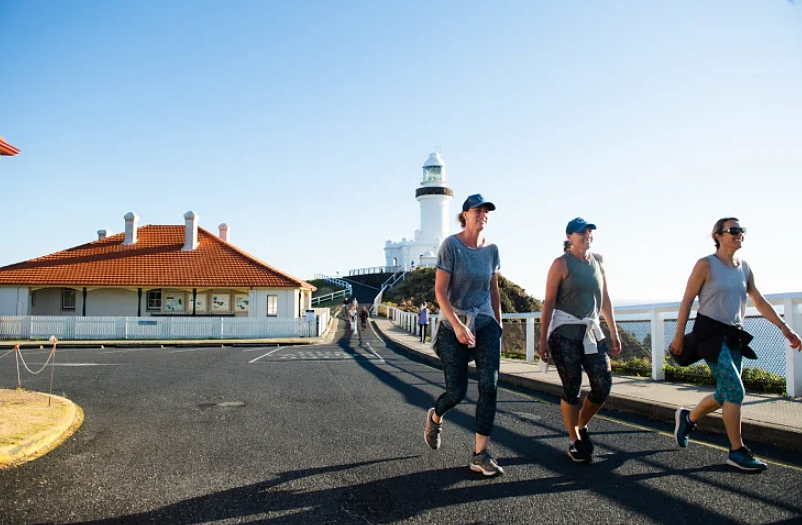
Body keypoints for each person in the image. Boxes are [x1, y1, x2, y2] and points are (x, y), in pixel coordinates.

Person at [669, 217, 801, 472]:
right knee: (736, 391)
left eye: (742, 230)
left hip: (733, 336)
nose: (739, 234)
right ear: (717, 235)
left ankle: (688, 418)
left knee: (725, 394)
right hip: (709, 335)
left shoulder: (745, 267)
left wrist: (784, 327)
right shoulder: (705, 265)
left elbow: (759, 300)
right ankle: (737, 451)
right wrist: (678, 334)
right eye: (734, 230)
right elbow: (686, 300)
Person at [423, 193, 504, 477]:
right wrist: (457, 325)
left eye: (486, 211)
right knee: (457, 392)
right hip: (452, 325)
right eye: (477, 210)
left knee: (489, 385)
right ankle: (435, 417)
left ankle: (480, 454)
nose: (482, 215)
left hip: (484, 323)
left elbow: (493, 290)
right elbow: (439, 291)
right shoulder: (451, 246)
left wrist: (499, 324)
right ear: (465, 214)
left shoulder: (492, 249)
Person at [539, 217, 621, 464]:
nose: (587, 235)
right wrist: (542, 340)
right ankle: (574, 440)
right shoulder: (561, 264)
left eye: (589, 231)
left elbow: (605, 299)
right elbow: (549, 303)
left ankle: (581, 425)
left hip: (592, 334)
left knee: (602, 385)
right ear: (569, 237)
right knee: (572, 387)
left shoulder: (599, 263)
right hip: (564, 333)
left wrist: (614, 333)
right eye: (581, 232)